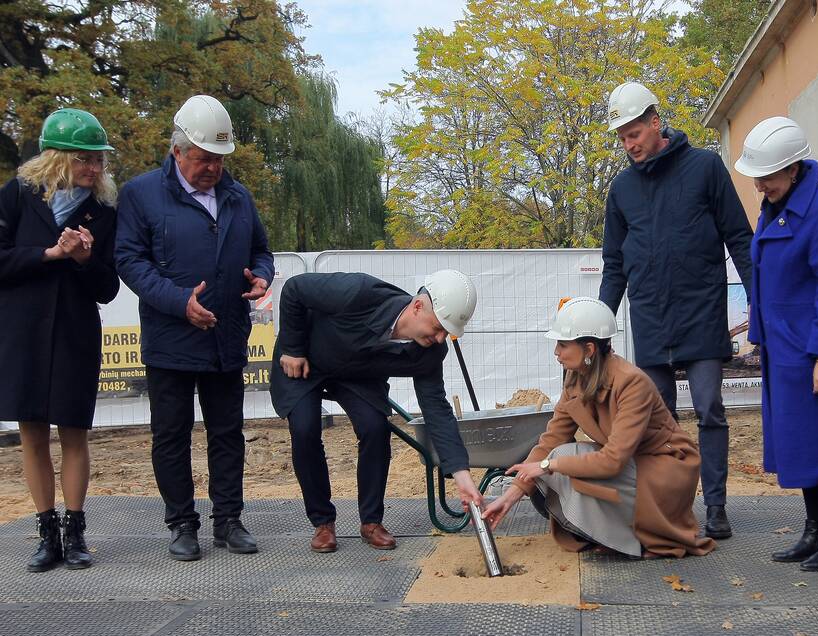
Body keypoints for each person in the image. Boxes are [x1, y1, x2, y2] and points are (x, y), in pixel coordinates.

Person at [115, 95, 274, 561]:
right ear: (177, 151)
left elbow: (261, 250)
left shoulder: (238, 196)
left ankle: (228, 520)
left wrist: (261, 274)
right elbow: (129, 260)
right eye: (204, 159)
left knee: (227, 432)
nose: (212, 169)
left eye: (219, 160)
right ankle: (182, 523)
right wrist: (176, 302)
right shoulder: (141, 194)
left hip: (226, 337)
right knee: (171, 434)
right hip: (171, 341)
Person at [599, 81, 753, 541]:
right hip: (650, 320)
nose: (629, 144)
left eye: (634, 133)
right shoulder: (621, 190)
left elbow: (739, 239)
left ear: (654, 121)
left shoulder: (705, 167)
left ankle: (717, 507)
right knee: (660, 419)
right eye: (622, 137)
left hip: (701, 314)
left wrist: (760, 308)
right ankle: (674, 507)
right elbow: (614, 264)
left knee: (709, 409)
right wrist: (598, 326)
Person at [269, 270, 485, 553]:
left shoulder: (430, 352)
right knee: (305, 428)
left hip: (356, 374)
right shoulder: (359, 292)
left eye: (448, 332)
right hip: (305, 357)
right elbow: (295, 289)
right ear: (418, 306)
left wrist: (461, 473)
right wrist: (293, 348)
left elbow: (436, 409)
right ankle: (323, 523)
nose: (441, 337)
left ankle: (371, 522)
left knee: (376, 428)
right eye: (439, 327)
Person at [483, 297, 714, 559]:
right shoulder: (575, 378)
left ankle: (643, 536)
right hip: (632, 464)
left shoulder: (631, 383)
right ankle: (616, 535)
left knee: (561, 460)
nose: (556, 352)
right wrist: (512, 495)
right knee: (557, 456)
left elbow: (612, 461)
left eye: (562, 344)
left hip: (665, 468)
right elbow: (551, 439)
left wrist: (547, 466)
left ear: (589, 348)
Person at [731, 117, 818, 571]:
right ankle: (814, 531)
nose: (759, 185)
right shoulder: (777, 207)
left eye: (766, 175)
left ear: (793, 168)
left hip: (810, 353)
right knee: (798, 444)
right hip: (782, 352)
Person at [0, 109, 120, 572]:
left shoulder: (105, 212)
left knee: (74, 432)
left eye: (99, 160)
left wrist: (86, 259)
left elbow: (107, 288)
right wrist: (50, 254)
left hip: (73, 332)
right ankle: (45, 531)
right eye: (83, 159)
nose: (93, 169)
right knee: (32, 433)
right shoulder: (16, 196)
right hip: (23, 331)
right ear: (54, 158)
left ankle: (76, 531)